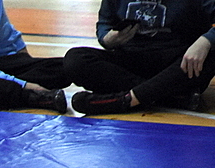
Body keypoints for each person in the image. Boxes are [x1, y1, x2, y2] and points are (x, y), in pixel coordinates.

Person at [65, 0, 215, 114]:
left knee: (212, 54)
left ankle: (125, 100)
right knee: (76, 59)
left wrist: (205, 41)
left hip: (178, 63)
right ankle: (168, 98)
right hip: (132, 60)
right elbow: (105, 23)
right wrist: (108, 39)